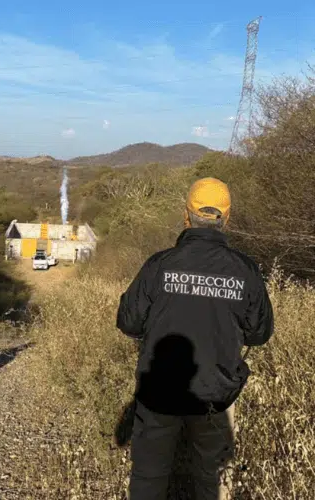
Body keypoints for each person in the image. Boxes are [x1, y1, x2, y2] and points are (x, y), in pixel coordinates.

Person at [116, 177, 274, 500]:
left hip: (158, 396)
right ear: (225, 220)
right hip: (217, 398)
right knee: (212, 482)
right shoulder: (245, 272)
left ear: (186, 215)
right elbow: (261, 333)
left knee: (148, 482)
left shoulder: (159, 266)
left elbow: (128, 321)